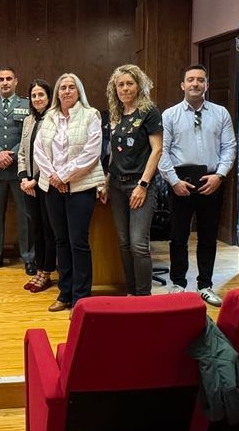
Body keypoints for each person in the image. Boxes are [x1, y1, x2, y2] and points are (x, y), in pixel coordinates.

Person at [157, 64, 236, 307]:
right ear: (183, 85)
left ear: (206, 85)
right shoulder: (169, 115)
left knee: (208, 237)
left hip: (211, 181)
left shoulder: (220, 113)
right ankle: (178, 284)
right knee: (179, 237)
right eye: (190, 80)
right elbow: (162, 151)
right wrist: (173, 181)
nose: (195, 84)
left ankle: (205, 285)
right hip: (180, 180)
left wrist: (219, 176)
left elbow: (229, 147)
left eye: (200, 80)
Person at [34, 73, 105, 312]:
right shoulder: (50, 117)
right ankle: (64, 293)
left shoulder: (90, 115)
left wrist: (64, 175)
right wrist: (54, 177)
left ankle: (80, 298)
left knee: (78, 242)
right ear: (57, 93)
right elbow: (39, 151)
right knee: (61, 241)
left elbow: (91, 153)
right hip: (52, 188)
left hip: (80, 188)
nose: (66, 91)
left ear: (79, 91)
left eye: (71, 87)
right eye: (62, 87)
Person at [103, 64, 163, 297]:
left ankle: (144, 297)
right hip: (117, 185)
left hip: (140, 185)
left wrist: (143, 185)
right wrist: (107, 182)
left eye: (130, 83)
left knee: (139, 244)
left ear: (139, 85)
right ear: (114, 89)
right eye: (120, 84)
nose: (125, 88)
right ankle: (130, 293)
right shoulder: (116, 114)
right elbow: (114, 153)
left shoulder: (149, 111)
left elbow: (157, 150)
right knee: (124, 242)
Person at [0, 66, 34, 274]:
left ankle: (29, 257)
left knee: (25, 215)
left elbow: (29, 133)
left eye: (9, 78)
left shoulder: (27, 104)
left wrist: (11, 153)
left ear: (16, 81)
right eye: (1, 79)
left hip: (20, 169)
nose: (5, 82)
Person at [17, 79, 56, 293]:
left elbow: (51, 156)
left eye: (41, 94)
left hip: (45, 184)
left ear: (49, 97)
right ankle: (40, 268)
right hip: (28, 184)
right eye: (33, 95)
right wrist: (23, 177)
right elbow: (22, 152)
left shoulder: (55, 120)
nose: (37, 98)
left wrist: (35, 179)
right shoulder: (28, 120)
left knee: (48, 229)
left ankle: (47, 271)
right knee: (36, 229)